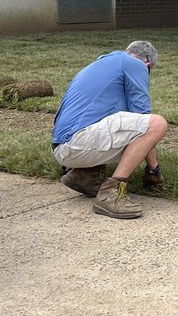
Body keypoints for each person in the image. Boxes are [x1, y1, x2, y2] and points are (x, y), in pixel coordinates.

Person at [51, 40, 169, 220]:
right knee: (157, 124)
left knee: (122, 126)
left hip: (64, 146)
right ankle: (111, 192)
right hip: (77, 144)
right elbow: (144, 120)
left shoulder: (102, 64)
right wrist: (154, 169)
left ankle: (84, 176)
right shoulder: (135, 65)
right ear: (147, 63)